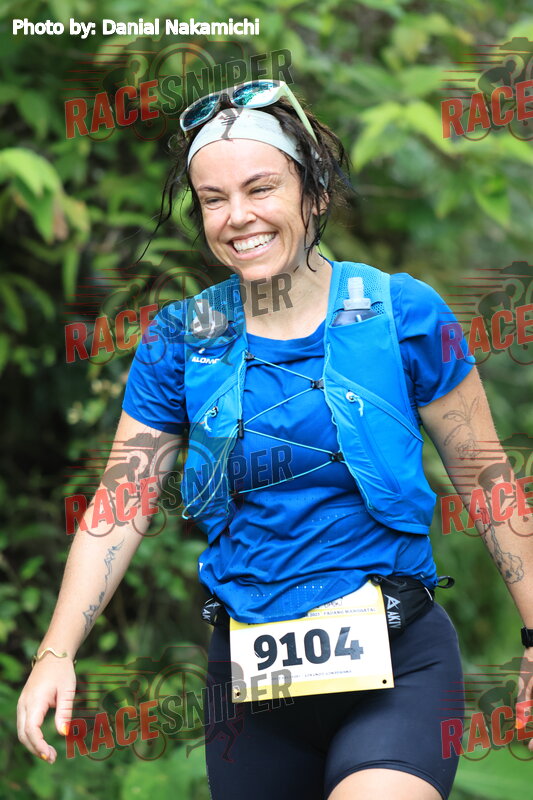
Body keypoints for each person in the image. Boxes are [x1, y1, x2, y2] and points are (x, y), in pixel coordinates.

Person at [17, 80, 533, 799]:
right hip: (252, 686)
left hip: (398, 664)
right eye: (213, 198)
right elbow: (121, 502)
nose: (238, 217)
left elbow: (486, 479)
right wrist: (56, 651)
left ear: (314, 194)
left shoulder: (402, 313)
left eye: (260, 188)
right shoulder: (180, 340)